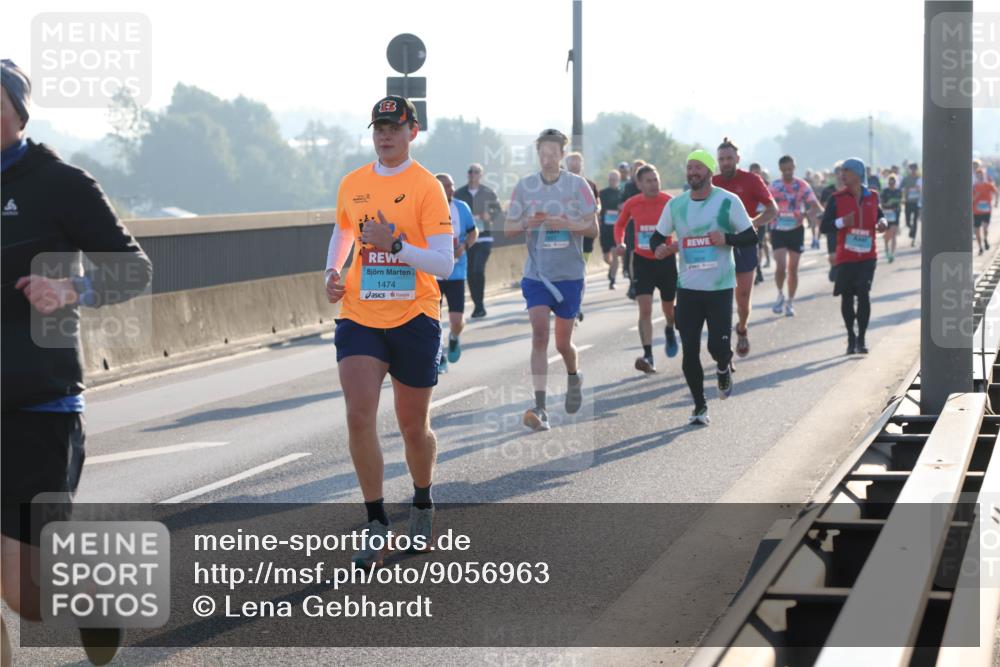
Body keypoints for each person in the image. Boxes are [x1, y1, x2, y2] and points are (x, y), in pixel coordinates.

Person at [1, 59, 153, 665]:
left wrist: (72, 290)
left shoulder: (61, 183)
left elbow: (136, 269)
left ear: (16, 110)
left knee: (27, 596)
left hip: (39, 403)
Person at [324, 95, 454, 568]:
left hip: (414, 315)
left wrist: (396, 244)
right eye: (378, 127)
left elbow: (444, 262)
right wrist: (332, 272)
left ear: (412, 132)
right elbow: (342, 233)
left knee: (412, 426)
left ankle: (421, 500)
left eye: (394, 127)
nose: (384, 135)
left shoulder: (426, 187)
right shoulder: (353, 183)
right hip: (359, 314)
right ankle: (376, 520)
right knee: (359, 417)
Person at [651, 150, 756, 426]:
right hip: (688, 288)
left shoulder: (727, 201)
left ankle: (723, 367)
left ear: (710, 172)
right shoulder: (676, 205)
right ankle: (699, 406)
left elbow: (749, 236)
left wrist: (726, 238)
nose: (693, 172)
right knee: (690, 352)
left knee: (717, 347)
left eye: (698, 167)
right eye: (690, 168)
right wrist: (659, 248)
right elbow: (656, 237)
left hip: (720, 287)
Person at [505, 129, 598, 431]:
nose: (547, 158)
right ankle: (540, 407)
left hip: (569, 275)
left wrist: (566, 224)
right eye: (542, 153)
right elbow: (507, 229)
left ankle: (573, 376)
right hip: (537, 275)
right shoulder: (525, 186)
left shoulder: (577, 185)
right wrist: (525, 222)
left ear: (562, 154)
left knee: (562, 344)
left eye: (552, 152)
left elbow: (593, 229)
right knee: (539, 335)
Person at [713, 138, 777, 358]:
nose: (726, 163)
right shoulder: (711, 182)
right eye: (722, 159)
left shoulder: (752, 180)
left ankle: (741, 328)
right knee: (721, 299)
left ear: (737, 159)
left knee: (742, 295)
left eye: (729, 158)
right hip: (718, 245)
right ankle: (723, 346)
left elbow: (772, 209)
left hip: (745, 244)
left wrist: (753, 223)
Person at [613, 164, 677, 373]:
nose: (653, 184)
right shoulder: (633, 203)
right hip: (642, 262)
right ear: (639, 184)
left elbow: (683, 225)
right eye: (648, 181)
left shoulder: (669, 202)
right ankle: (648, 355)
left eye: (656, 179)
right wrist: (620, 242)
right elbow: (619, 225)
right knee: (645, 309)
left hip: (665, 260)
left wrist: (674, 246)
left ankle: (669, 328)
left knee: (669, 309)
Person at [820, 157, 887, 355]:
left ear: (857, 174)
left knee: (864, 294)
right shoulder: (836, 198)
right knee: (847, 296)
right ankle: (851, 336)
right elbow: (825, 226)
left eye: (846, 171)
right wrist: (842, 222)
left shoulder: (872, 196)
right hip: (846, 257)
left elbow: (879, 214)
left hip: (868, 255)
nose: (842, 175)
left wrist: (881, 222)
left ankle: (862, 339)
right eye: (841, 171)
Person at [768, 155, 822, 317]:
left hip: (796, 229)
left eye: (790, 169)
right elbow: (763, 206)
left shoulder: (802, 185)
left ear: (794, 167)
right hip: (777, 229)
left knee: (793, 269)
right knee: (780, 266)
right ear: (780, 170)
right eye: (784, 170)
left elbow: (814, 205)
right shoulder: (774, 186)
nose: (787, 172)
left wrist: (812, 213)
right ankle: (780, 294)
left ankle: (790, 301)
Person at [434, 173, 478, 373]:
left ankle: (453, 337)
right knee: (434, 321)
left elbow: (473, 231)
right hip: (432, 273)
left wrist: (465, 247)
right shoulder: (426, 208)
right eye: (444, 186)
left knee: (456, 321)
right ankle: (439, 356)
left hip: (456, 271)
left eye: (451, 186)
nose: (450, 190)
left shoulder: (461, 208)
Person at [454, 163, 502, 319]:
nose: (472, 174)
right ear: (467, 174)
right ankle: (477, 305)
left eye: (476, 172)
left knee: (477, 270)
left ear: (481, 175)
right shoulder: (459, 193)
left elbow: (497, 211)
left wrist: (490, 215)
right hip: (467, 238)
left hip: (485, 237)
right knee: (470, 273)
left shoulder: (488, 193)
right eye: (470, 172)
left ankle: (480, 305)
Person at [564, 151, 601, 322]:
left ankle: (576, 306)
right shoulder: (559, 184)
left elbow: (597, 206)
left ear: (582, 166)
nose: (574, 168)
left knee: (579, 271)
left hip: (585, 235)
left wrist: (590, 212)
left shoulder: (589, 185)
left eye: (577, 165)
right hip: (563, 235)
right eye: (571, 166)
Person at [598, 170, 623, 289]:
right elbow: (597, 209)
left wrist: (621, 209)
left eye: (615, 179)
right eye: (611, 179)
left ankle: (612, 280)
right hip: (604, 229)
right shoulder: (602, 193)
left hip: (616, 229)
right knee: (606, 257)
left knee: (615, 255)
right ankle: (612, 267)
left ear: (618, 180)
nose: (612, 181)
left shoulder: (622, 194)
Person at [749, 162, 772, 277]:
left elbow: (771, 203)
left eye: (757, 171)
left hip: (762, 218)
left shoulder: (764, 184)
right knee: (751, 245)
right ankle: (755, 268)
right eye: (753, 172)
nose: (755, 174)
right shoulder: (746, 183)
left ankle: (758, 269)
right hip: (749, 219)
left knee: (760, 244)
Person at [974, 168, 999, 255]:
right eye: (978, 175)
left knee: (985, 228)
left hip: (986, 210)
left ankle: (985, 239)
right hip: (976, 211)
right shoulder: (974, 186)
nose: (980, 177)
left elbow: (996, 192)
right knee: (977, 231)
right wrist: (976, 196)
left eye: (982, 175)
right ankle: (980, 247)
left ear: (984, 176)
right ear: (976, 176)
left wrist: (996, 201)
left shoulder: (988, 185)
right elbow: (971, 200)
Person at [880, 175, 903, 262]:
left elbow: (901, 201)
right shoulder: (885, 191)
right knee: (887, 235)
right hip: (887, 215)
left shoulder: (898, 191)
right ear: (888, 183)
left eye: (893, 183)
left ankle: (892, 254)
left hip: (896, 215)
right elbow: (882, 203)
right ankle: (886, 248)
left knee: (893, 234)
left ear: (895, 183)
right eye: (890, 183)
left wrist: (896, 206)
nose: (892, 184)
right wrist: (888, 205)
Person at [900, 163, 922, 247]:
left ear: (917, 169)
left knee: (915, 220)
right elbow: (900, 187)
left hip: (917, 202)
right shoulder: (906, 179)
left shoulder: (919, 179)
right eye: (912, 169)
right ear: (909, 169)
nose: (913, 170)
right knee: (908, 221)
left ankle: (913, 238)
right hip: (908, 202)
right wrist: (905, 191)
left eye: (914, 169)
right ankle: (910, 227)